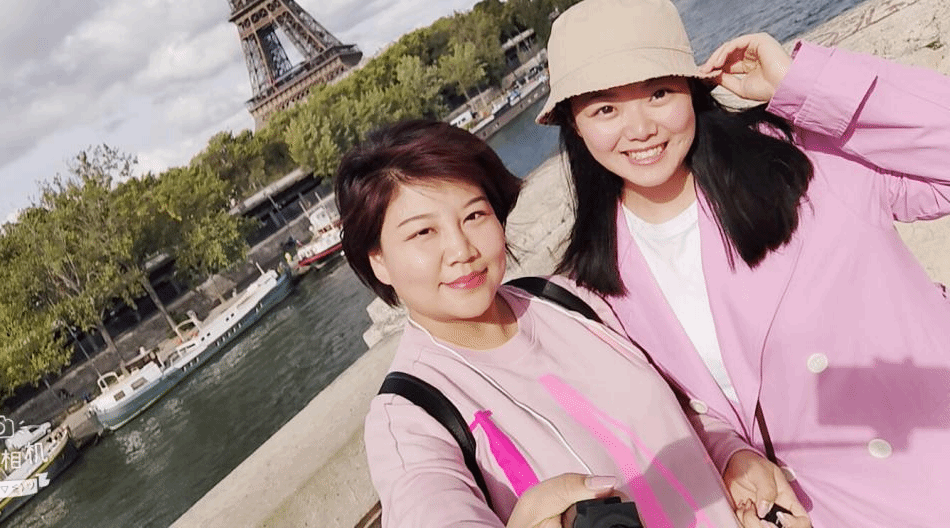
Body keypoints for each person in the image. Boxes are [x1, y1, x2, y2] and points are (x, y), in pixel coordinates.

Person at [537, 0, 950, 528]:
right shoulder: (595, 282)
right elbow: (684, 408)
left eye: (658, 93)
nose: (639, 129)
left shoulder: (801, 159)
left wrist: (801, 84)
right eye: (606, 108)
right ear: (574, 124)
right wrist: (733, 453)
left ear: (692, 90)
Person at [335, 119, 803, 528]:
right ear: (379, 261)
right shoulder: (409, 419)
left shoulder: (566, 299)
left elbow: (684, 406)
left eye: (474, 215)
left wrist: (732, 457)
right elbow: (430, 506)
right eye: (423, 232)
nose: (461, 250)